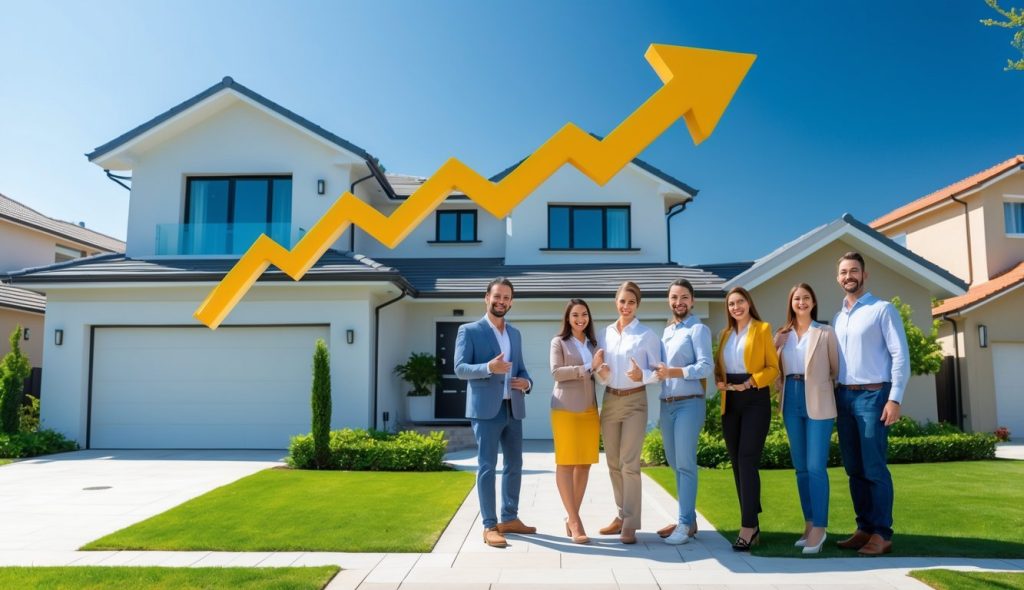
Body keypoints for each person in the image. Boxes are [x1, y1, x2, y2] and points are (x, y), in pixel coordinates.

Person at [832, 252, 909, 556]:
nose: (848, 276)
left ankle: (882, 533)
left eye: (854, 270)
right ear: (838, 278)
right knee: (854, 468)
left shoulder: (882, 309)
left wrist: (894, 398)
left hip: (873, 396)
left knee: (874, 467)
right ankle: (864, 528)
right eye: (843, 272)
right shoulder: (838, 318)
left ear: (865, 275)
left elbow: (900, 355)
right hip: (843, 397)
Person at [454, 277, 535, 548]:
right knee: (487, 466)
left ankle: (509, 518)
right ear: (487, 298)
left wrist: (527, 383)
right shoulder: (469, 330)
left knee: (514, 465)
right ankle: (489, 526)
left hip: (513, 407)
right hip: (486, 410)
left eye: (506, 297)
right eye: (497, 296)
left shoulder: (515, 334)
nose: (501, 301)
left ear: (511, 302)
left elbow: (521, 368)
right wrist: (489, 367)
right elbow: (460, 368)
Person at [773, 283, 839, 555]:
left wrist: (820, 388)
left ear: (813, 302)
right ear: (790, 303)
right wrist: (775, 346)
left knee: (815, 466)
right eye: (797, 298)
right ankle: (809, 522)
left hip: (818, 401)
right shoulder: (782, 335)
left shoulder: (825, 332)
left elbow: (835, 369)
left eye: (806, 298)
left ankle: (820, 527)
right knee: (800, 467)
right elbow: (774, 370)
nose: (801, 302)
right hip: (791, 398)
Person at [713, 286, 779, 551]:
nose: (736, 307)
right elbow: (720, 367)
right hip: (730, 400)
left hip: (754, 399)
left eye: (740, 302)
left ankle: (748, 527)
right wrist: (719, 380)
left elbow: (773, 368)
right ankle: (753, 523)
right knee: (737, 464)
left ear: (749, 303)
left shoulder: (762, 329)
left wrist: (751, 382)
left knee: (747, 460)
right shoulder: (725, 334)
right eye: (731, 304)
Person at [595, 281, 661, 544]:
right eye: (622, 301)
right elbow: (600, 372)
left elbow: (658, 372)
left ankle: (631, 524)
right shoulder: (604, 334)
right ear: (616, 302)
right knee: (613, 462)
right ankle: (621, 515)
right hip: (610, 399)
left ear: (637, 305)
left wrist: (641, 374)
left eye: (631, 302)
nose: (626, 306)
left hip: (635, 402)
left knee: (629, 463)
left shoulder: (647, 335)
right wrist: (601, 373)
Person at [654, 279, 714, 546]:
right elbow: (662, 369)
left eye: (684, 297)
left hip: (689, 403)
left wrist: (674, 372)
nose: (679, 302)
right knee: (674, 462)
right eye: (674, 297)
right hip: (667, 403)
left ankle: (685, 523)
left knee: (686, 464)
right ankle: (687, 519)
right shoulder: (668, 331)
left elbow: (706, 367)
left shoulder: (698, 329)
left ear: (692, 300)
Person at [549, 298, 604, 544]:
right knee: (566, 463)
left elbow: (600, 372)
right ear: (568, 318)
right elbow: (556, 373)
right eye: (575, 315)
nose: (580, 319)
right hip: (565, 409)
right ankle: (575, 522)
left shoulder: (594, 344)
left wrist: (602, 369)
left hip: (589, 409)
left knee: (584, 464)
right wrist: (588, 367)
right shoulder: (558, 342)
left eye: (584, 314)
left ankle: (572, 516)